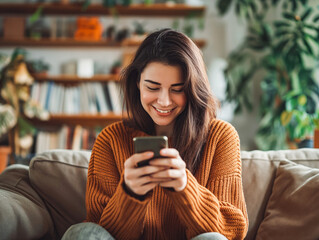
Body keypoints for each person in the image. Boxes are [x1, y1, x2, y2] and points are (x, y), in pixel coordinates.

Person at [62, 28, 248, 240]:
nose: (164, 101)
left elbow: (232, 232)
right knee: (80, 233)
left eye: (177, 89)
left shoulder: (221, 137)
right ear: (137, 83)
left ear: (193, 89)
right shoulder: (110, 140)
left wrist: (185, 188)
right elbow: (98, 232)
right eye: (152, 87)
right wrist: (130, 193)